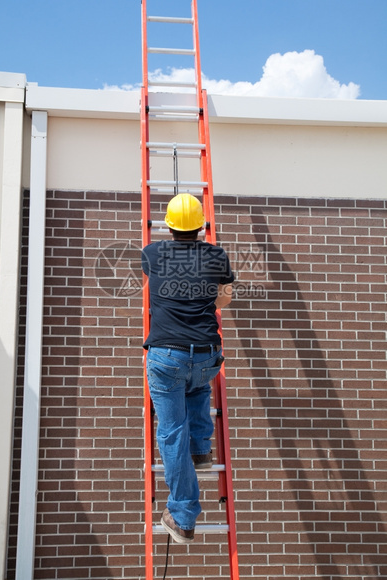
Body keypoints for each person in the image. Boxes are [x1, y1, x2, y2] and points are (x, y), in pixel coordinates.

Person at [141, 193, 234, 544]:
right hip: (207, 355)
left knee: (170, 431)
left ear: (168, 225)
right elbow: (224, 298)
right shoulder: (216, 255)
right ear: (201, 225)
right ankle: (201, 450)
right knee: (197, 385)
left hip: (168, 356)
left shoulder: (151, 254)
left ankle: (182, 514)